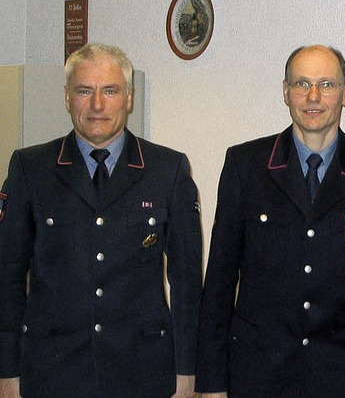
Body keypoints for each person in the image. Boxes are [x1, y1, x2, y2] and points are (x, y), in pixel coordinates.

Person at [195, 44, 345, 397]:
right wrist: (212, 383)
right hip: (258, 377)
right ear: (285, 92)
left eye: (326, 84)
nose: (313, 96)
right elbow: (218, 285)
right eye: (301, 84)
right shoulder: (245, 166)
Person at [0, 43, 203, 398]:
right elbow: (7, 277)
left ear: (128, 98)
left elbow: (186, 282)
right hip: (52, 371)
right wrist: (7, 371)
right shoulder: (30, 169)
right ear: (67, 98)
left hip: (141, 372)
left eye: (110, 91)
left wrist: (187, 370)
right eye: (84, 91)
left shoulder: (167, 170)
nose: (97, 104)